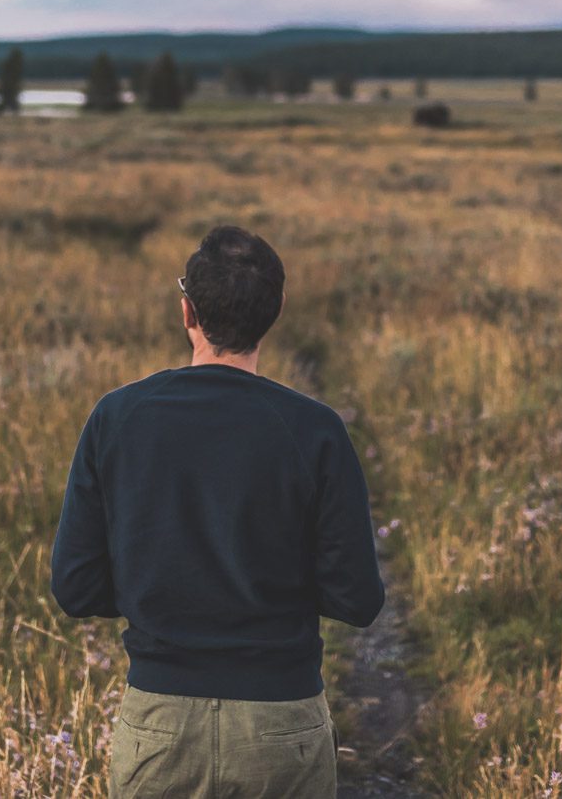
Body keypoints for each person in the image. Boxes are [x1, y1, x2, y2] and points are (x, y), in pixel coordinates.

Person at [51, 224, 385, 798]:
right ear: (276, 310)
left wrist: (157, 592)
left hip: (158, 728)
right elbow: (357, 599)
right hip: (282, 726)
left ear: (188, 312)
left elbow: (76, 589)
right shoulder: (315, 430)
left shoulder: (117, 418)